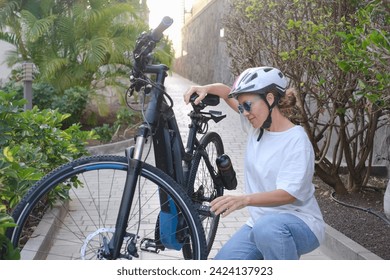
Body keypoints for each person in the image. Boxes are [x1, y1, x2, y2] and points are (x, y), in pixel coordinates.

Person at [184, 66, 325, 260]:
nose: (244, 112)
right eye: (241, 107)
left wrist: (244, 200)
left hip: (301, 223)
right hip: (259, 224)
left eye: (247, 105)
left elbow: (288, 195)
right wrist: (205, 88)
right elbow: (226, 92)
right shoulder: (256, 126)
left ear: (269, 99)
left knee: (267, 229)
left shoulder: (296, 141)